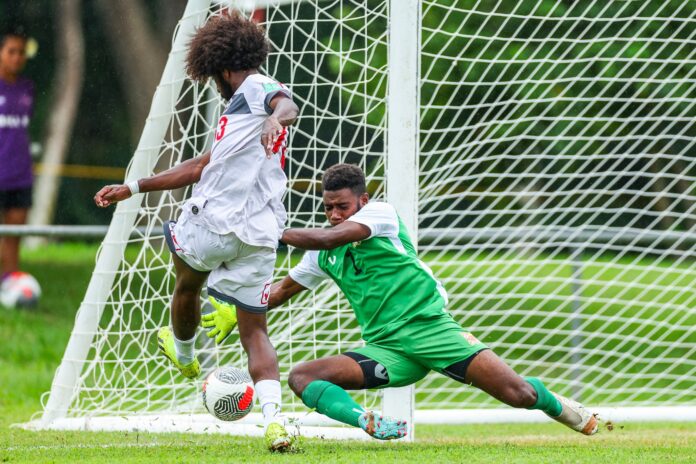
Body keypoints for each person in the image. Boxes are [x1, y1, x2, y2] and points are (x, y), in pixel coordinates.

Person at [207, 163, 599, 440]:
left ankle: (564, 410)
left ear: (362, 201)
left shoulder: (382, 216)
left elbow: (330, 237)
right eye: (327, 207)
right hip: (386, 349)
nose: (333, 214)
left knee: (520, 395)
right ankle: (370, 422)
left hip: (431, 330)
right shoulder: (322, 256)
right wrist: (239, 306)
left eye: (341, 206)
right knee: (302, 377)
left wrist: (267, 230)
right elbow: (280, 291)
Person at [94, 13, 299, 452]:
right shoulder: (238, 115)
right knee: (255, 332)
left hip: (215, 221)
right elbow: (199, 165)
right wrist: (135, 186)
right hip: (261, 234)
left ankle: (185, 357)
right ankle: (274, 422)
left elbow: (286, 103)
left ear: (223, 68)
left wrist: (276, 120)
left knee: (185, 286)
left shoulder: (256, 90)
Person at [0, 28, 33, 286]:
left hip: (20, 176)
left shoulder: (27, 89)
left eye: (21, 52)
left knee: (14, 235)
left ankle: (9, 284)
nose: (17, 57)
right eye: (11, 51)